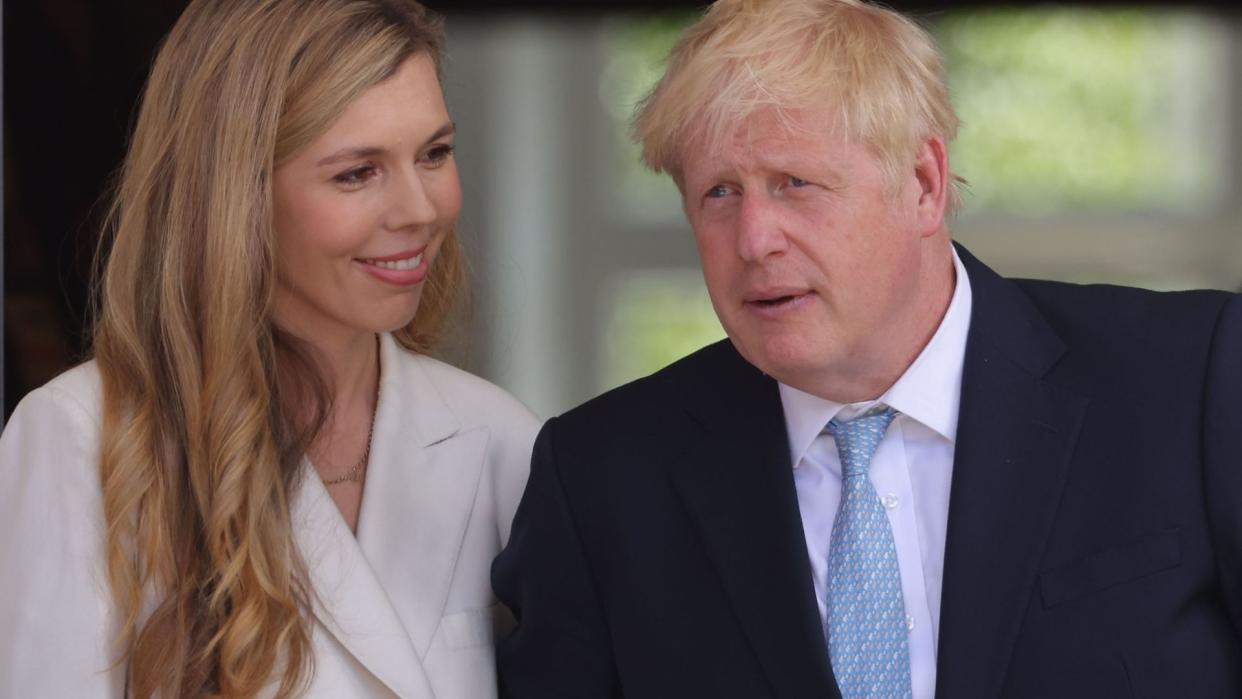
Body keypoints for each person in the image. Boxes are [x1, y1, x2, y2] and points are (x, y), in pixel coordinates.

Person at [492, 0, 1242, 697]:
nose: (753, 240)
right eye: (719, 193)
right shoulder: (602, 476)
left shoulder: (1191, 379)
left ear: (923, 182)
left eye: (794, 183)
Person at [0, 1, 537, 697]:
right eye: (357, 172)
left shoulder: (500, 440)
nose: (421, 209)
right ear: (236, 194)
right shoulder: (81, 440)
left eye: (434, 153)